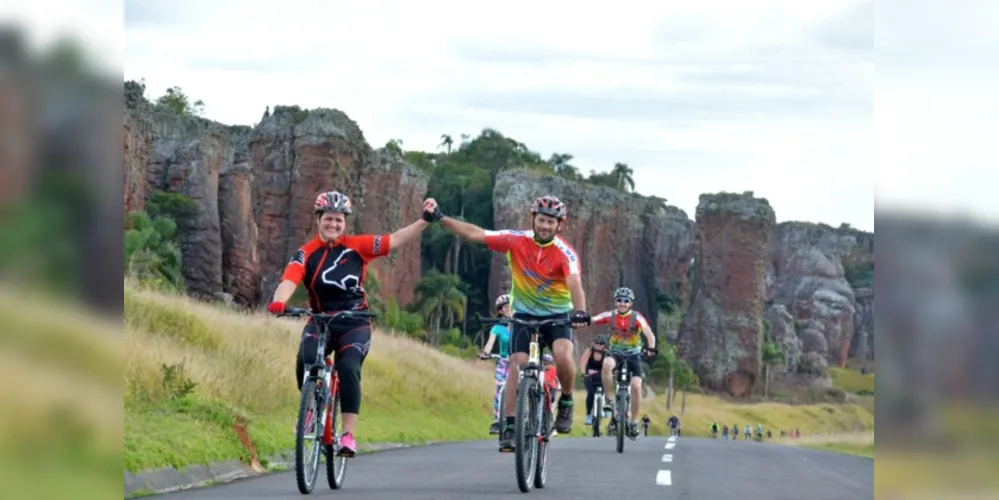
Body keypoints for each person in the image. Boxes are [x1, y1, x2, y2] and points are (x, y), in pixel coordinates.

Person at [266, 190, 432, 457]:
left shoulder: (358, 246)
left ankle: (348, 435)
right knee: (306, 358)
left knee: (348, 367)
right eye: (328, 219)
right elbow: (289, 280)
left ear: (345, 223)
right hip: (321, 320)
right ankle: (309, 410)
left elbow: (396, 239)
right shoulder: (305, 253)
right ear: (318, 219)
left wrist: (424, 219)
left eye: (339, 221)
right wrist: (279, 301)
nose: (333, 225)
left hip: (355, 322)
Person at [422, 195, 591, 452]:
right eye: (542, 220)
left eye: (551, 222)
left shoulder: (565, 253)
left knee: (562, 355)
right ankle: (510, 424)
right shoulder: (515, 240)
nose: (545, 226)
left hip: (557, 316)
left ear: (560, 225)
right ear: (533, 219)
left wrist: (580, 312)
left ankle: (566, 401)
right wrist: (441, 217)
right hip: (523, 314)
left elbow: (575, 284)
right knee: (517, 364)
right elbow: (476, 234)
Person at [585, 286, 657, 439]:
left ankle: (633, 422)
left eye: (626, 301)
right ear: (615, 302)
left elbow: (649, 333)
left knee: (636, 387)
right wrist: (582, 319)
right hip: (615, 352)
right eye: (619, 300)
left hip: (634, 355)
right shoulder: (610, 316)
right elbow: (593, 319)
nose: (622, 303)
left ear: (631, 303)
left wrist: (651, 348)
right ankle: (610, 399)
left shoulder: (637, 317)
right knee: (606, 366)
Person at [479, 293, 513, 434]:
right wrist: (485, 353)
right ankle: (497, 420)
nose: (508, 309)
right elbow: (490, 344)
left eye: (510, 306)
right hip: (504, 362)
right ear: (500, 311)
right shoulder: (497, 328)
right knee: (500, 389)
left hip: (519, 362)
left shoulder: (522, 325)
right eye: (505, 307)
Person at [578, 334, 608, 426]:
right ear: (594, 343)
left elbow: (610, 365)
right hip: (589, 376)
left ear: (604, 345)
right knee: (590, 393)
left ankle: (606, 406)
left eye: (601, 343)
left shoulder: (607, 353)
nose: (599, 345)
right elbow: (583, 362)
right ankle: (588, 415)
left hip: (602, 375)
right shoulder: (589, 351)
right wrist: (583, 373)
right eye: (597, 343)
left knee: (606, 389)